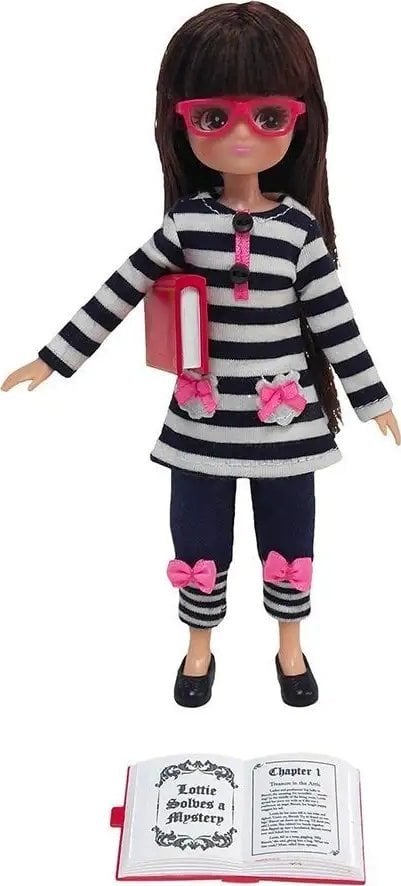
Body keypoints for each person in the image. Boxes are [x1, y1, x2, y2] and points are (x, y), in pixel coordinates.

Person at [2, 2, 399, 708]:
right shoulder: (186, 224)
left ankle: (289, 645)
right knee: (197, 537)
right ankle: (198, 646)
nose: (242, 135)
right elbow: (120, 290)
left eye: (268, 116)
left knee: (290, 536)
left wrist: (374, 402)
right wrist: (54, 359)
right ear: (180, 123)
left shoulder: (299, 232)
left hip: (285, 424)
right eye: (214, 117)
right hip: (202, 420)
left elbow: (336, 322)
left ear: (299, 121)